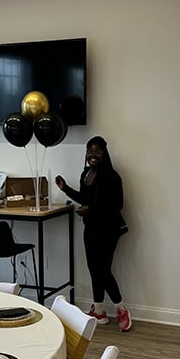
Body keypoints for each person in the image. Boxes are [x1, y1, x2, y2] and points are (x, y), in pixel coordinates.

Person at [55, 136, 132, 331]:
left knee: (103, 271)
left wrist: (91, 209)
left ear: (104, 154)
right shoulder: (86, 174)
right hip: (91, 227)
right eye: (90, 151)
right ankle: (99, 311)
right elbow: (84, 198)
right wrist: (66, 189)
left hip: (109, 229)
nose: (93, 155)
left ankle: (121, 309)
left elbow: (117, 205)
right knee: (93, 269)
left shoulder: (112, 177)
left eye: (97, 152)